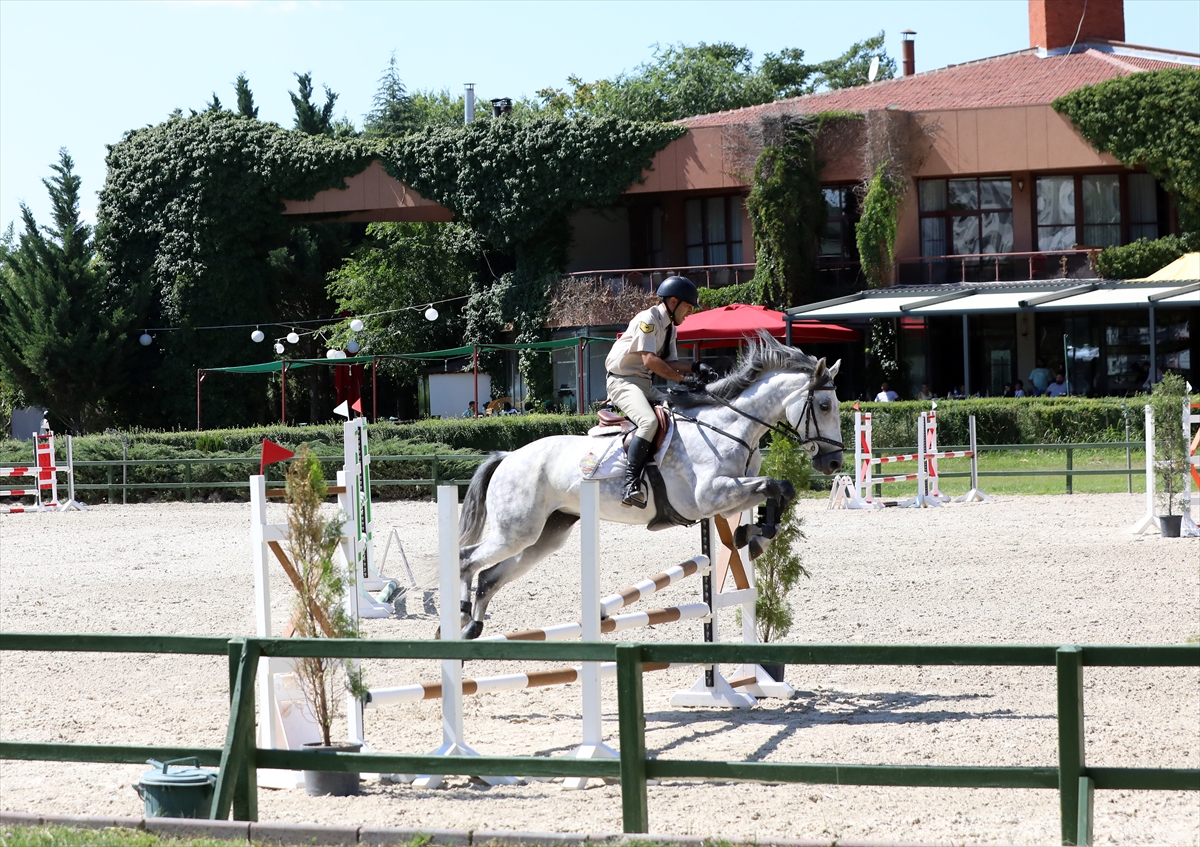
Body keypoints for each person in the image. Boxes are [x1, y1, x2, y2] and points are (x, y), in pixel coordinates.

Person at [605, 275, 715, 508]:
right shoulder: (649, 319)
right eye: (687, 307)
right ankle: (630, 485)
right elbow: (650, 361)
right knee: (648, 422)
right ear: (673, 302)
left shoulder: (670, 330)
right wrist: (682, 380)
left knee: (681, 415)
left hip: (644, 385)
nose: (689, 313)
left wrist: (697, 366)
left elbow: (671, 362)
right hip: (623, 381)